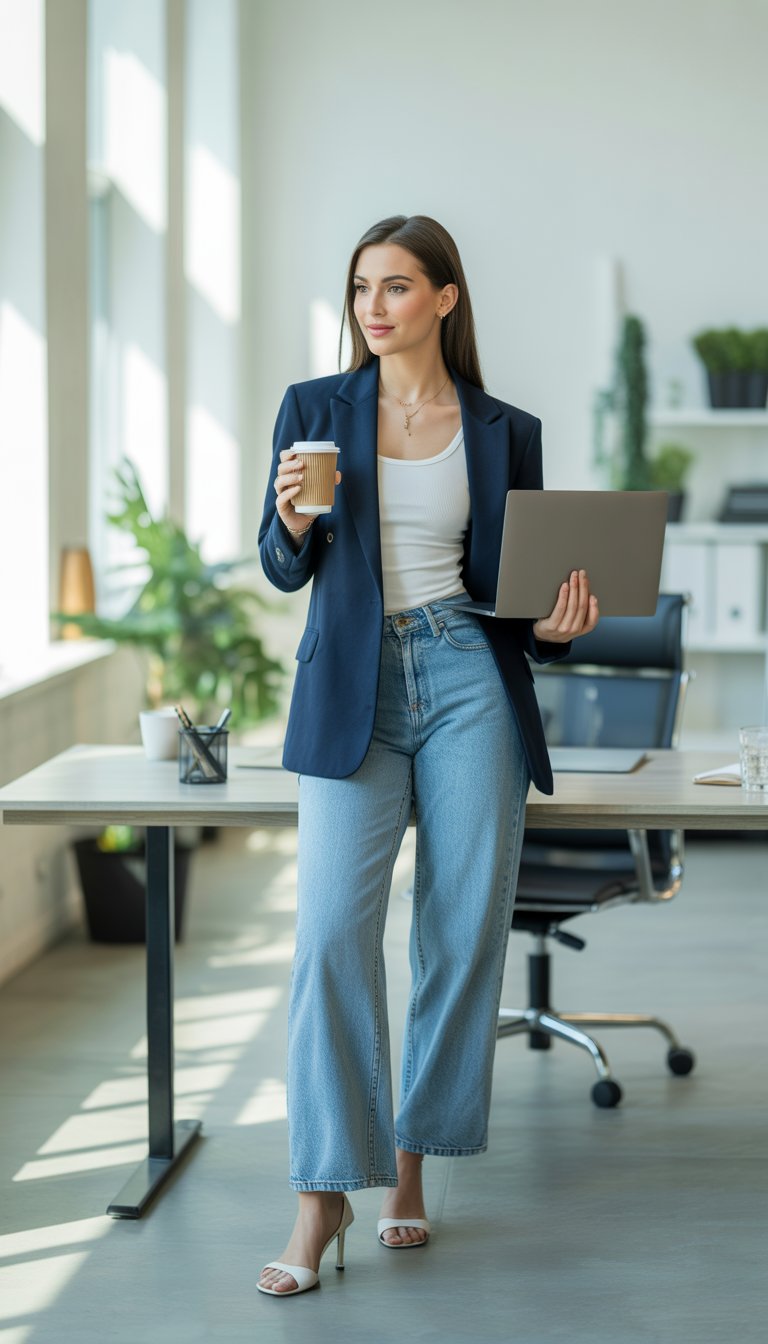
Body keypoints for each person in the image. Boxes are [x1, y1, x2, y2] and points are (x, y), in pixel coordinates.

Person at [256, 214, 599, 1297]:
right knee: (327, 940)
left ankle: (408, 1170)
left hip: (466, 677)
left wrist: (553, 625)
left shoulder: (504, 427)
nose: (373, 304)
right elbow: (279, 567)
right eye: (362, 285)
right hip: (353, 685)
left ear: (445, 299)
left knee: (457, 932)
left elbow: (518, 592)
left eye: (397, 286)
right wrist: (295, 525)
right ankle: (321, 1197)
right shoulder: (315, 410)